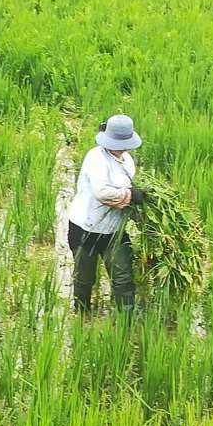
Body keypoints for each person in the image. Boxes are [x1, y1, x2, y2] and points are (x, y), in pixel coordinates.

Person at [67, 114, 148, 315]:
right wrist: (131, 195)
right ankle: (82, 315)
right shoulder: (96, 158)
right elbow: (102, 193)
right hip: (86, 228)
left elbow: (125, 192)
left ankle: (126, 321)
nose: (120, 148)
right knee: (84, 277)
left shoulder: (127, 161)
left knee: (123, 277)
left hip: (114, 230)